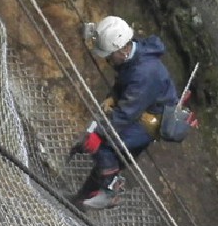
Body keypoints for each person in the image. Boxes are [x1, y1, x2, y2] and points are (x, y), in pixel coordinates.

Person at [73, 16, 179, 210]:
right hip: (139, 111)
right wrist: (112, 97)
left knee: (106, 146)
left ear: (122, 51)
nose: (107, 59)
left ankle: (112, 191)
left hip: (148, 122)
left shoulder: (145, 73)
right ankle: (80, 201)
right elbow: (125, 86)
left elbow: (125, 114)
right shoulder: (134, 54)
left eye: (109, 54)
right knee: (106, 162)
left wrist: (98, 133)